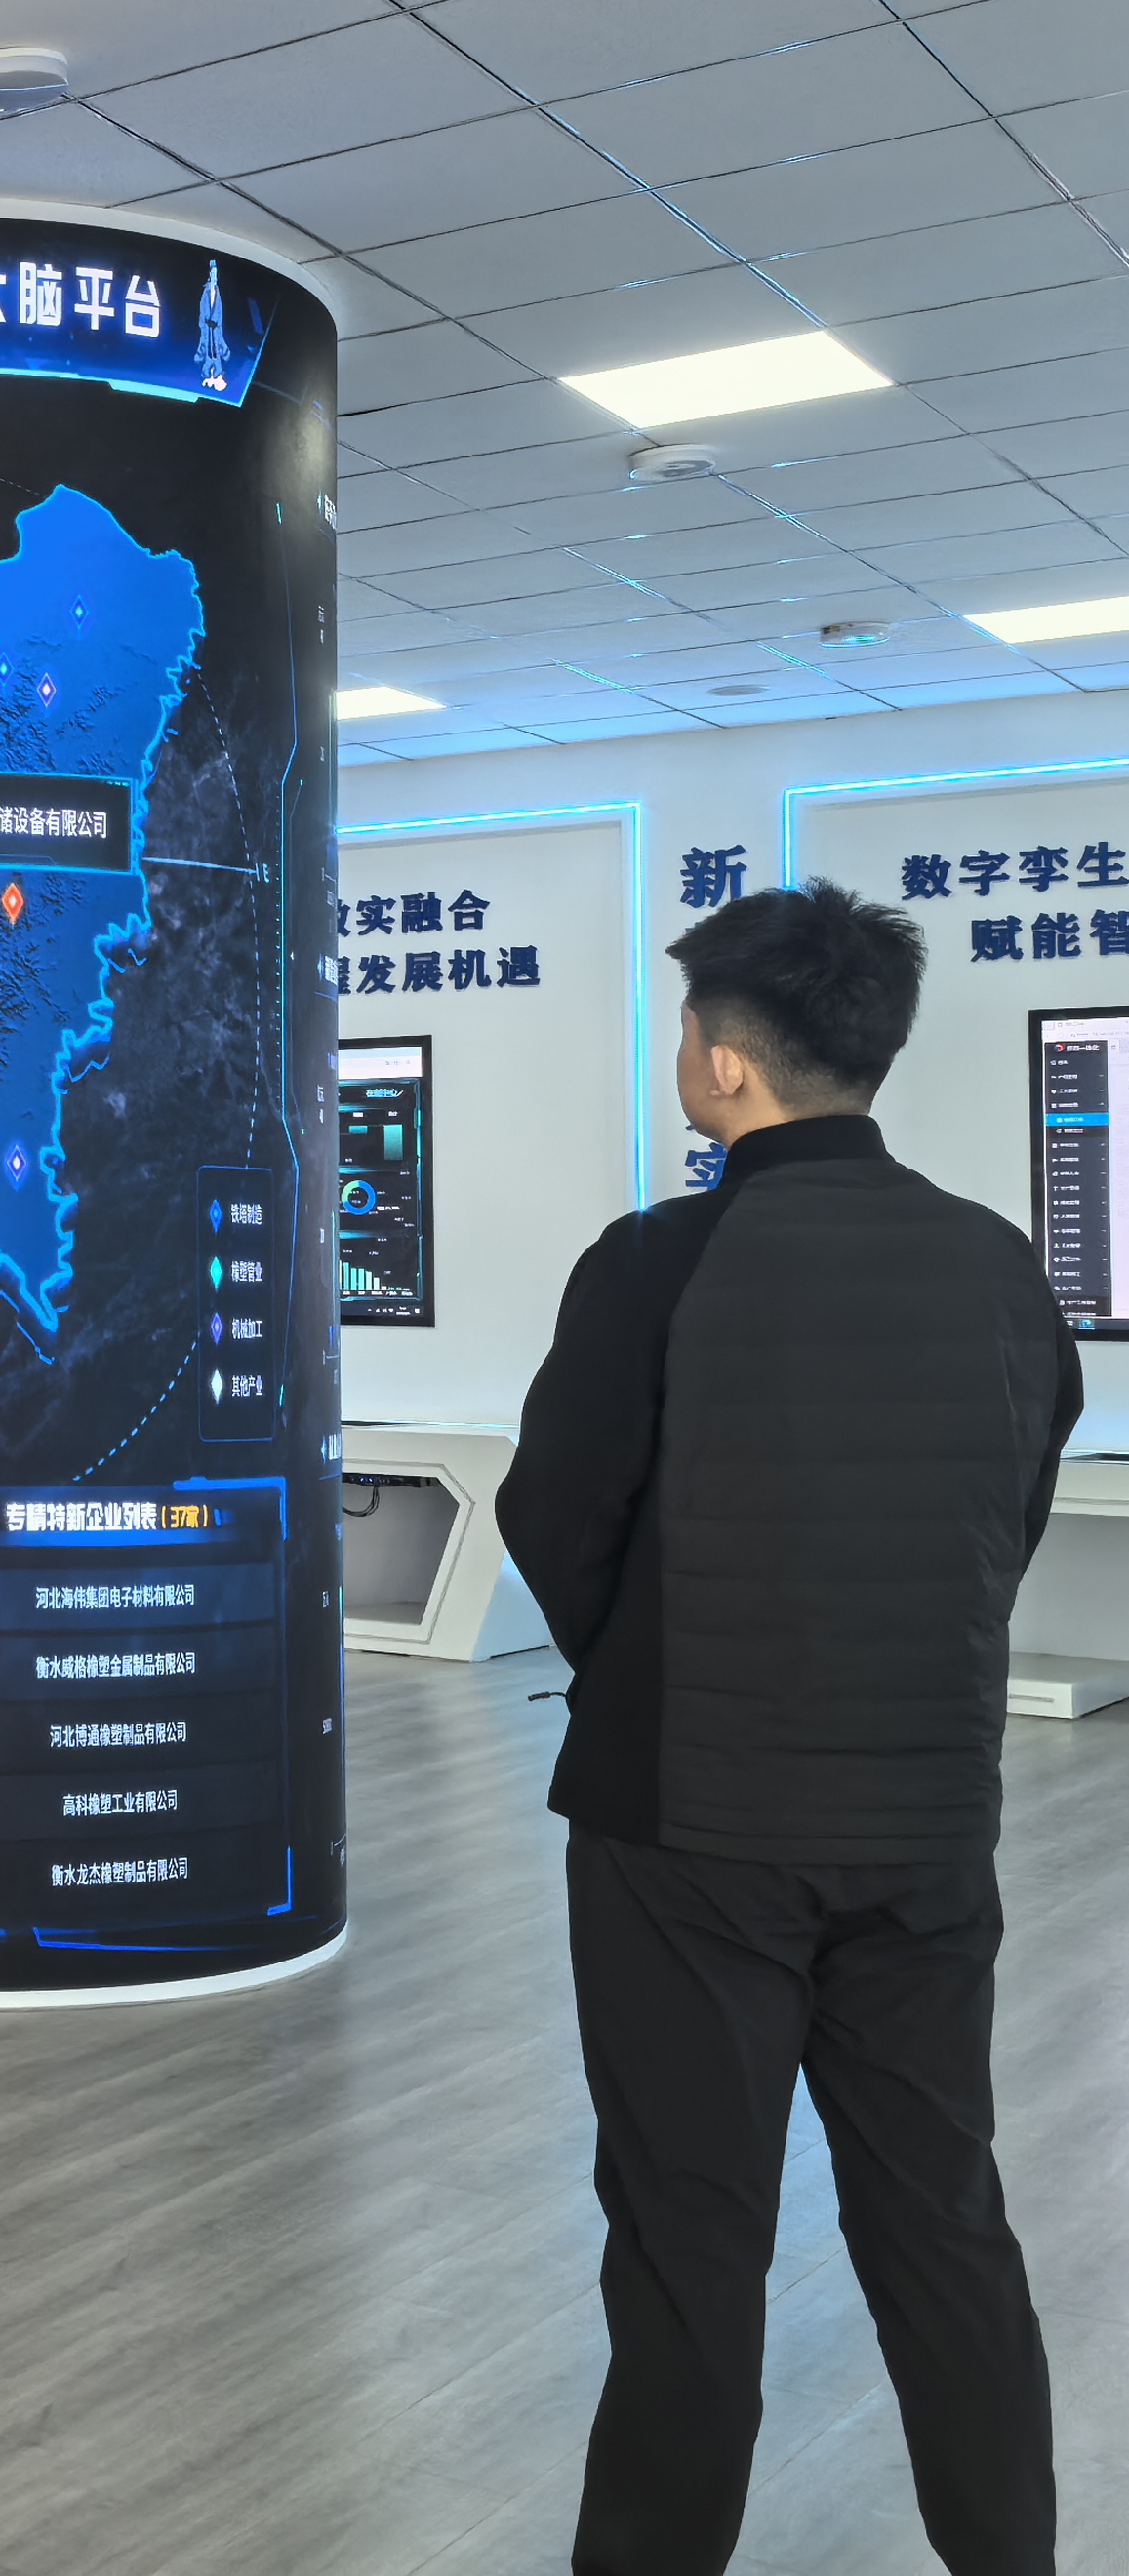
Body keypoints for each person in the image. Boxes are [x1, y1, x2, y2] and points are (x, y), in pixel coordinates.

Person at [498, 878, 1078, 2576]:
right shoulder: (997, 1265)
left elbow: (556, 1518)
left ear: (727, 1063)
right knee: (944, 2226)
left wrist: (644, 1663)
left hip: (687, 1837)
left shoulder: (654, 1264)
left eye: (686, 1028)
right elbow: (1005, 1516)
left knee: (690, 2249)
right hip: (926, 1830)